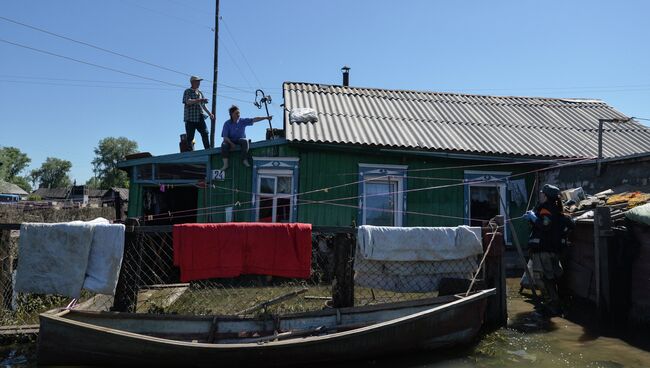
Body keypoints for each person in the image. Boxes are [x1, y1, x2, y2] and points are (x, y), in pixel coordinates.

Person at [523, 184, 574, 316]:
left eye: (541, 194)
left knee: (543, 278)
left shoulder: (546, 209)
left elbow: (545, 225)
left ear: (545, 196)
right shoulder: (558, 210)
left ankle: (552, 305)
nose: (540, 195)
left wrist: (533, 218)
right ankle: (558, 304)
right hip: (554, 251)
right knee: (553, 277)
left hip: (543, 251)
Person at [220, 105, 272, 170]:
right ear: (231, 114)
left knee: (245, 141)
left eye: (239, 113)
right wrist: (231, 144)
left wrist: (266, 118)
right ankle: (225, 164)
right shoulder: (227, 123)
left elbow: (254, 119)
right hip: (230, 140)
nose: (238, 114)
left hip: (239, 140)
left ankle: (244, 159)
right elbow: (225, 137)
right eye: (236, 113)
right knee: (224, 144)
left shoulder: (242, 121)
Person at [182, 76, 214, 150]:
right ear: (192, 82)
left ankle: (208, 149)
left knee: (205, 133)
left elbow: (203, 106)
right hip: (190, 118)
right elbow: (188, 101)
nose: (199, 83)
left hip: (199, 116)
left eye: (199, 81)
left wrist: (210, 114)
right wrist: (199, 100)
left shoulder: (200, 93)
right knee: (190, 137)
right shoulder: (188, 91)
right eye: (197, 81)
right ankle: (190, 152)